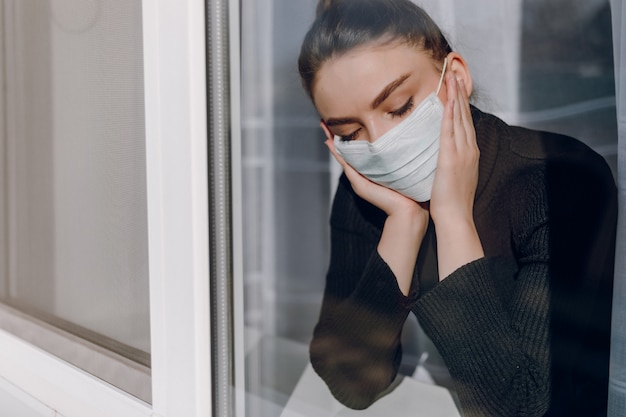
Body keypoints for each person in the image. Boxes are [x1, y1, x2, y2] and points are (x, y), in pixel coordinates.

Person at [297, 0, 617, 416]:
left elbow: (523, 409)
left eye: (400, 107)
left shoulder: (559, 179)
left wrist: (451, 218)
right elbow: (350, 382)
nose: (379, 144)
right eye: (351, 132)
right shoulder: (364, 191)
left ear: (456, 77)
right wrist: (404, 222)